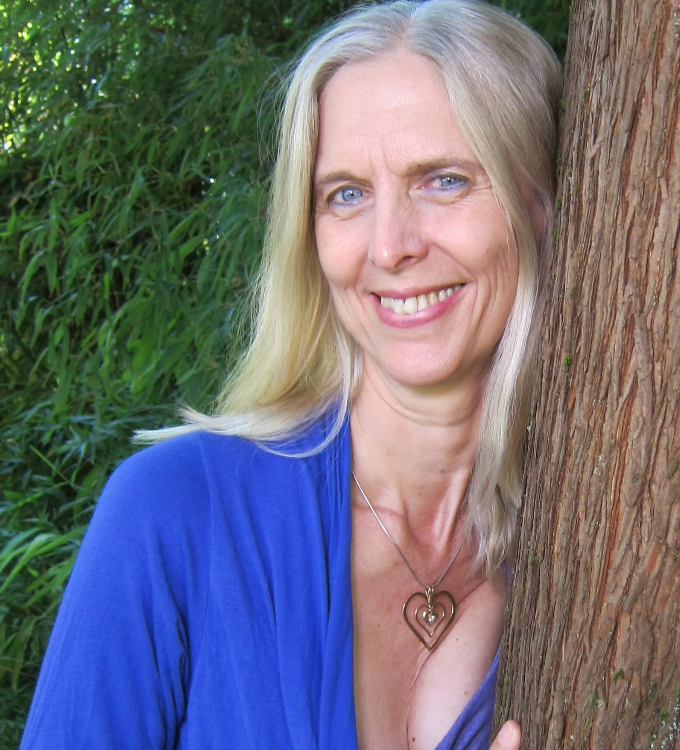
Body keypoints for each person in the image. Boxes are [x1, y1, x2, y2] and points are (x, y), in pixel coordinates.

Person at [19, 1, 561, 748]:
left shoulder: (588, 543)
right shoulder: (175, 514)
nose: (390, 246)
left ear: (542, 205)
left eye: (443, 180)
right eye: (347, 194)